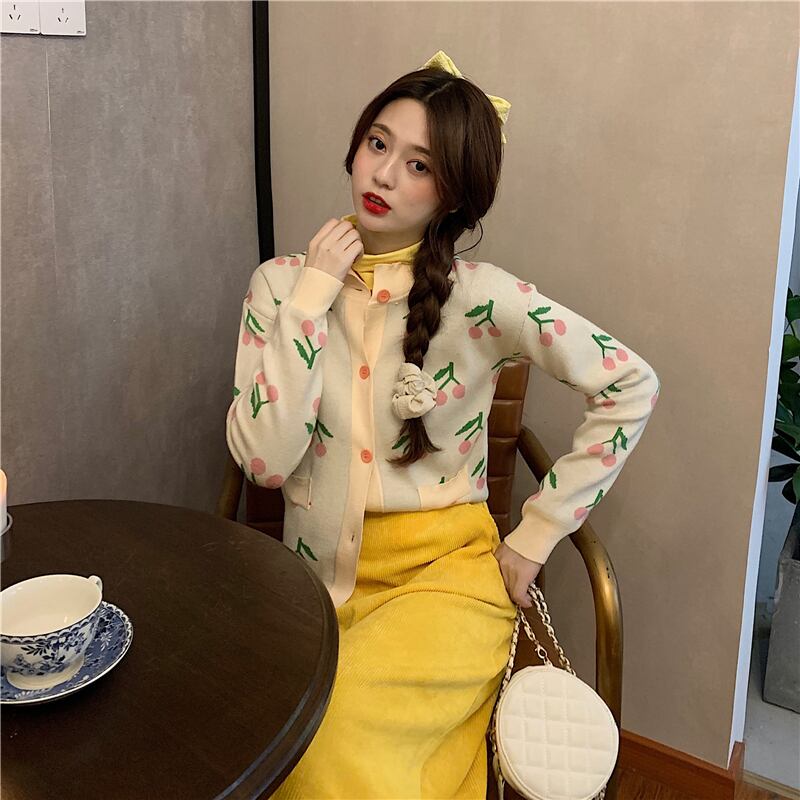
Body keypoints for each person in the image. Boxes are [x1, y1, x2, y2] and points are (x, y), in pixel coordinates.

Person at [226, 50, 660, 799]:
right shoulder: (279, 285)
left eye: (419, 165)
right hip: (308, 588)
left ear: (453, 194)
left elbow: (630, 382)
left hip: (445, 581)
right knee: (295, 752)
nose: (384, 174)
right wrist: (311, 301)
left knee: (330, 755)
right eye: (378, 143)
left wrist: (535, 535)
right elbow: (264, 463)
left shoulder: (484, 298)